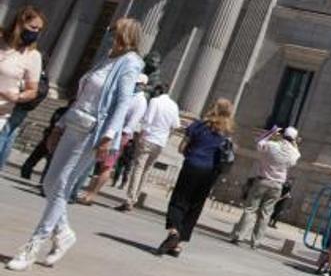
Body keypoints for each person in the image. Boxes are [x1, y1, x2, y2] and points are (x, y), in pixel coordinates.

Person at [6, 18, 145, 271]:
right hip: (73, 124)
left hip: (93, 131)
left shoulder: (131, 63)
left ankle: (33, 246)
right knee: (49, 182)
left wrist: (108, 136)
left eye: (112, 30)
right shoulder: (106, 59)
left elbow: (123, 102)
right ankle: (64, 233)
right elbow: (82, 96)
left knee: (61, 184)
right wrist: (58, 126)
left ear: (125, 35)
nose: (108, 33)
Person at [158, 97, 235, 257]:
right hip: (210, 173)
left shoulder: (198, 125)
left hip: (192, 166)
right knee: (195, 206)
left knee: (179, 200)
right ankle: (178, 245)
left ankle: (173, 231)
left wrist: (192, 153)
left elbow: (182, 147)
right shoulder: (227, 133)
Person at [79, 73, 148, 204]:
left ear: (143, 86)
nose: (134, 85)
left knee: (107, 165)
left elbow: (132, 123)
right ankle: (88, 190)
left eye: (137, 84)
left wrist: (122, 139)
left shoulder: (141, 101)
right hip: (111, 130)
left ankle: (92, 193)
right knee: (98, 162)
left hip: (121, 134)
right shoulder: (128, 95)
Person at [231, 125, 301, 249]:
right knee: (266, 213)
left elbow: (259, 142)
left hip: (263, 181)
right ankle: (256, 242)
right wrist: (294, 143)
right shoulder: (293, 153)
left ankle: (239, 236)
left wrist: (271, 133)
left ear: (282, 135)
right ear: (293, 139)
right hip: (277, 185)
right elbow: (297, 155)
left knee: (251, 209)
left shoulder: (271, 146)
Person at [118, 82, 180, 211]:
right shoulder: (174, 105)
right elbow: (176, 125)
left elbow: (147, 120)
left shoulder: (155, 102)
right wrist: (166, 137)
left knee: (138, 168)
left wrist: (140, 136)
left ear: (158, 91)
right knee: (146, 170)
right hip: (160, 142)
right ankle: (135, 198)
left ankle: (129, 199)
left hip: (148, 138)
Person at [0, 6, 46, 169]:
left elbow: (32, 90)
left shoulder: (33, 56)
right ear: (20, 23)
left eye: (39, 30)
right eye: (33, 27)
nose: (36, 33)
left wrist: (17, 97)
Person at [20, 103, 69, 181]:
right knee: (37, 161)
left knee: (45, 163)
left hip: (53, 138)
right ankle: (29, 177)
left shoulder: (63, 111)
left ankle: (37, 179)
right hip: (51, 137)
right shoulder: (63, 111)